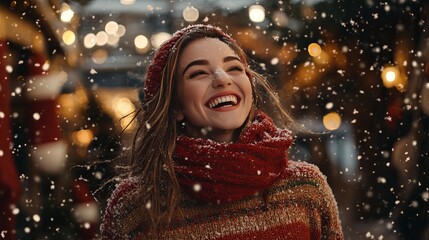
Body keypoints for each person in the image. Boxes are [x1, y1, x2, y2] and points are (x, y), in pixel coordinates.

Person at [100, 24, 343, 240]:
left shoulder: (306, 188)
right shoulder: (134, 208)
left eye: (234, 68)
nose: (222, 79)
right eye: (198, 73)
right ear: (175, 106)